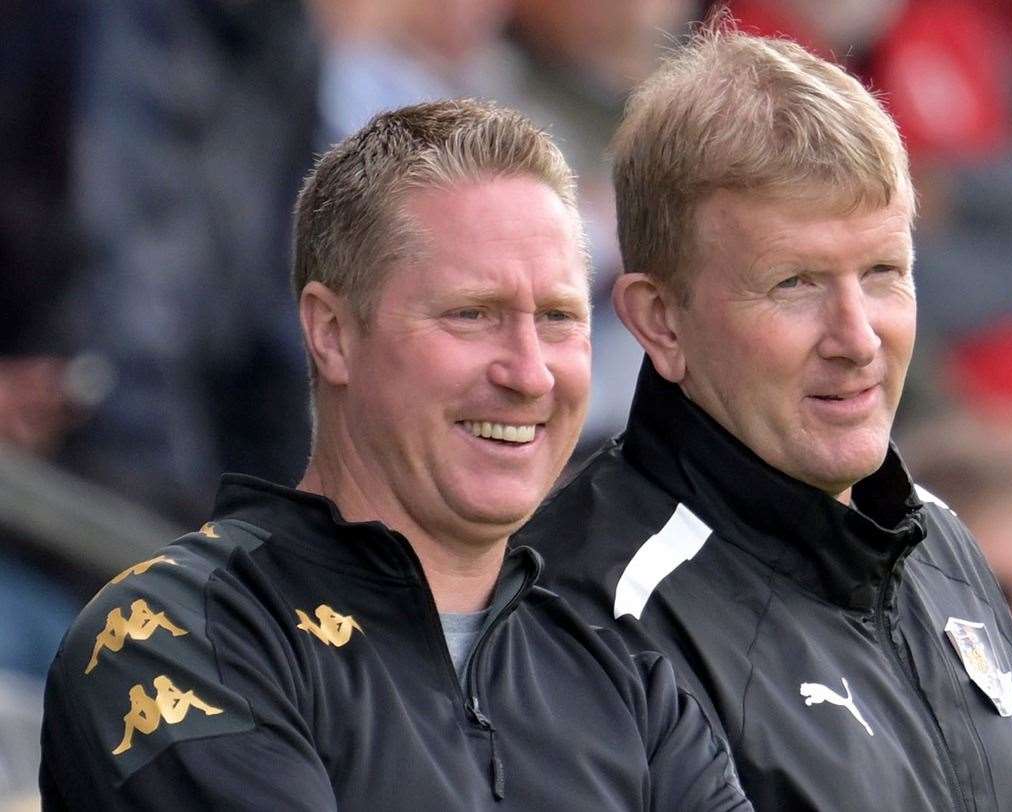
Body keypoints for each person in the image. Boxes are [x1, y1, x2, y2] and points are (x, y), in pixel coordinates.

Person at [39, 100, 750, 811]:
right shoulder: (176, 636)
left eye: (559, 318)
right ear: (333, 333)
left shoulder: (637, 692)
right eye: (472, 314)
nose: (530, 373)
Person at [515, 27, 1012, 809]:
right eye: (796, 283)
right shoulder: (587, 622)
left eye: (883, 273)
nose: (857, 338)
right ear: (661, 320)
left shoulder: (948, 552)